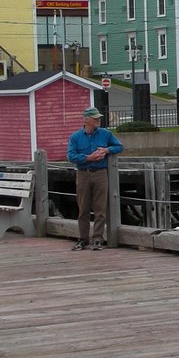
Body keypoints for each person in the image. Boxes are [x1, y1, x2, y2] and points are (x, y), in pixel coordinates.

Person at [67, 106, 123, 251]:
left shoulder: (106, 134)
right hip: (83, 173)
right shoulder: (75, 137)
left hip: (100, 173)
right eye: (95, 118)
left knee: (100, 208)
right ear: (86, 120)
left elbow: (119, 146)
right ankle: (83, 238)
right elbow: (71, 156)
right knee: (83, 208)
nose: (98, 120)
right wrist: (88, 158)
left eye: (98, 118)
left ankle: (98, 238)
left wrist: (107, 150)